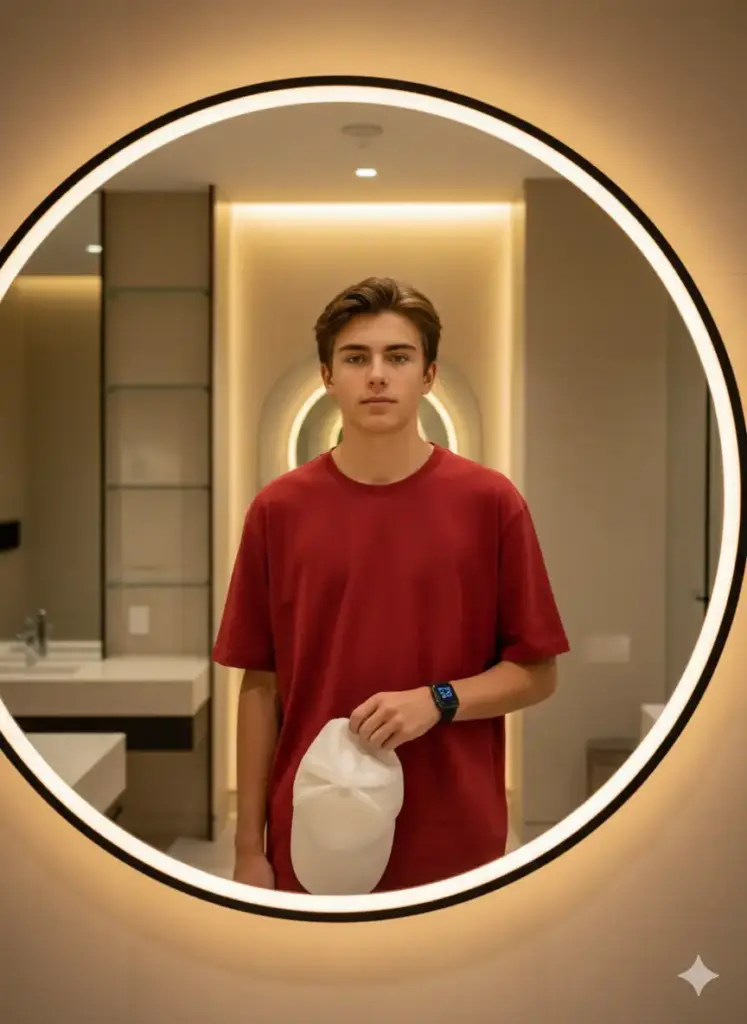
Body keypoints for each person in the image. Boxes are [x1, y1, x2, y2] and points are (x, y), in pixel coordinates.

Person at [212, 276, 570, 894]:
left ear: (428, 375)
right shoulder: (278, 510)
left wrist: (439, 699)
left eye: (397, 357)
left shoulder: (490, 502)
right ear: (328, 375)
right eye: (356, 358)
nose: (377, 374)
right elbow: (259, 685)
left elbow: (537, 672)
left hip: (456, 832)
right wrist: (249, 848)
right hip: (316, 827)